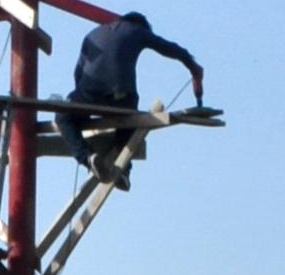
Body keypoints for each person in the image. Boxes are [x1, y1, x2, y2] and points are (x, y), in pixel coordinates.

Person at [66, 10, 204, 165]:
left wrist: (82, 110)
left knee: (64, 117)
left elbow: (78, 74)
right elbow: (170, 48)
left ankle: (88, 158)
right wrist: (193, 67)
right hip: (121, 99)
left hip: (89, 96)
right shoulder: (138, 30)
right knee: (130, 117)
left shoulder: (93, 34)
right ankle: (123, 169)